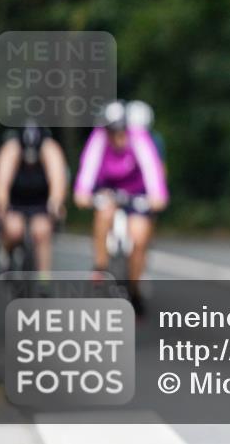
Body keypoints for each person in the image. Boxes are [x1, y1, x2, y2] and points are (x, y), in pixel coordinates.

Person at [74, 100, 168, 314]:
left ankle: (135, 289)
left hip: (137, 194)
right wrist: (82, 192)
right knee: (104, 213)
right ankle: (100, 267)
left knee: (139, 238)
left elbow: (152, 170)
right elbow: (88, 168)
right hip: (108, 191)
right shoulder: (99, 139)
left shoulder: (139, 138)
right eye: (111, 131)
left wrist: (157, 196)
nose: (116, 136)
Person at [0, 121, 68, 274]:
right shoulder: (11, 149)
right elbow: (2, 182)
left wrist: (56, 204)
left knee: (42, 231)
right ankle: (4, 256)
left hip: (40, 203)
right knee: (14, 229)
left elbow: (58, 180)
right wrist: (2, 204)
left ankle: (43, 279)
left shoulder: (50, 149)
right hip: (15, 201)